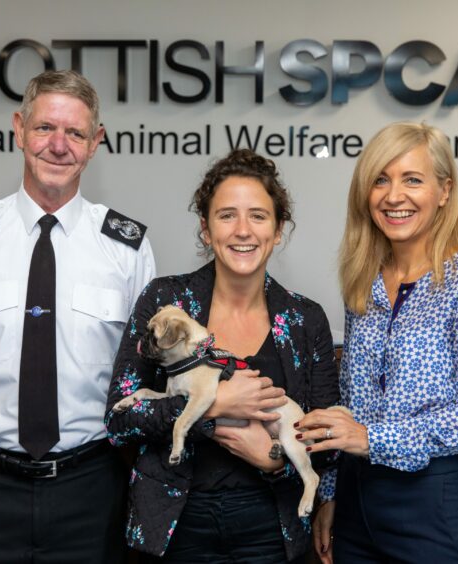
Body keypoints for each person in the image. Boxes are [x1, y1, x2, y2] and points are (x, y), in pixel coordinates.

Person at [0, 70, 155, 563]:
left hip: (91, 490)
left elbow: (141, 377)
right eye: (45, 128)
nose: (58, 146)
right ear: (19, 129)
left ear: (95, 143)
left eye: (75, 133)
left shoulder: (127, 249)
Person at [105, 149, 340, 563]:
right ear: (206, 229)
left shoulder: (305, 319)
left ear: (279, 228)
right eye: (227, 215)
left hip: (271, 531)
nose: (243, 230)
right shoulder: (165, 300)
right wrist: (214, 408)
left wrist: (274, 462)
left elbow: (325, 441)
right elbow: (119, 423)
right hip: (175, 528)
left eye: (259, 216)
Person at [296, 122, 458, 563]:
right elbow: (350, 403)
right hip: (357, 507)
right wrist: (331, 493)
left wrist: (373, 438)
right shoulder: (362, 285)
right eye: (380, 180)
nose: (394, 196)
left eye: (412, 179)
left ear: (444, 191)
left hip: (431, 504)